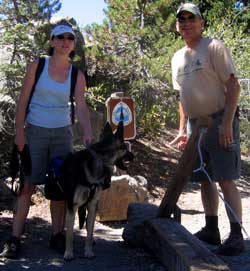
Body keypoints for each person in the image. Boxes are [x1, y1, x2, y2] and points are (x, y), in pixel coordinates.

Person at [0, 23, 93, 259]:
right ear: (51, 41)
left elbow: (81, 106)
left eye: (69, 38)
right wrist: (19, 133)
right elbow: (22, 101)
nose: (64, 41)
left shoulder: (76, 75)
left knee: (59, 187)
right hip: (35, 131)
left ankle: (57, 235)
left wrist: (88, 132)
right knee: (26, 186)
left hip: (62, 134)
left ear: (73, 44)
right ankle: (14, 239)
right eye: (59, 37)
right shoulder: (37, 66)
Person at [171, 2, 244, 256]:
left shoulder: (214, 47)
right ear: (177, 26)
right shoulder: (178, 57)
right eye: (182, 20)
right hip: (195, 126)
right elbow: (182, 95)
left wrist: (226, 123)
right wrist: (182, 129)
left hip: (220, 120)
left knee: (225, 177)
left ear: (201, 23)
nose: (187, 23)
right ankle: (211, 229)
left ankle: (236, 235)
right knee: (204, 178)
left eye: (192, 19)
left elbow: (234, 86)